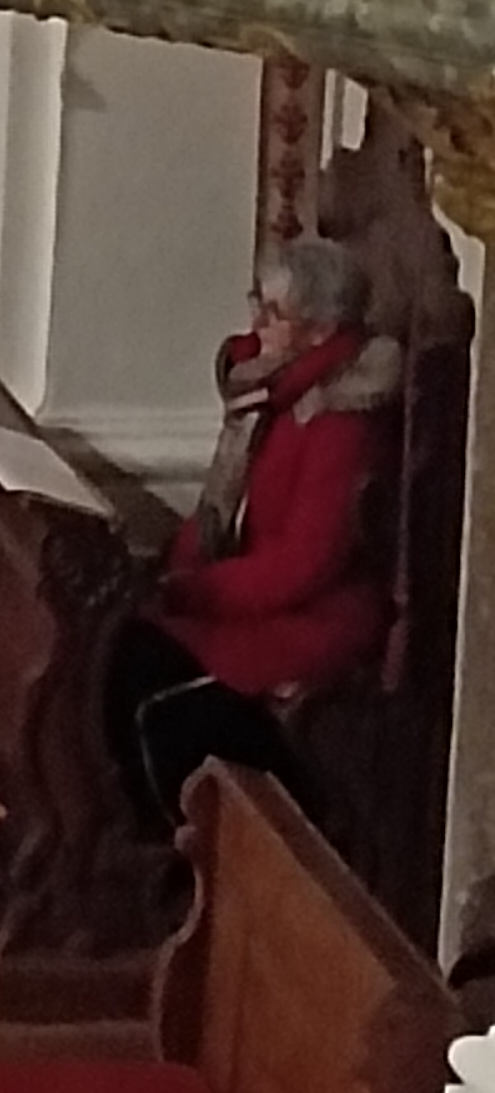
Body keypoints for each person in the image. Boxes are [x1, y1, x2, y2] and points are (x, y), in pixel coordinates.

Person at [106, 237, 400, 839]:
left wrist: (193, 592)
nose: (255, 324)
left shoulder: (341, 420)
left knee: (163, 707)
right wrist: (171, 575)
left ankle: (195, 855)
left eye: (273, 313)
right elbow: (223, 513)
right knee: (120, 649)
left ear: (320, 332)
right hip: (257, 598)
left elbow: (304, 564)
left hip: (314, 622)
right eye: (256, 303)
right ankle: (138, 843)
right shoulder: (270, 389)